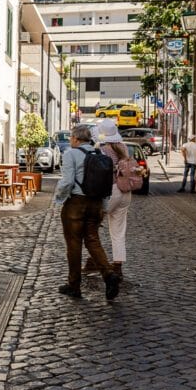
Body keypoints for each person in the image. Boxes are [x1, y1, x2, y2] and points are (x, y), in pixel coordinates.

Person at [53, 123, 120, 301]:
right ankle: (109, 274)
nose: (70, 141)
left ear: (75, 138)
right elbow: (106, 185)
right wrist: (104, 208)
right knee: (93, 241)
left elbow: (67, 182)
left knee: (74, 244)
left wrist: (58, 200)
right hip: (96, 204)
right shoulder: (101, 154)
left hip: (76, 203)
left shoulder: (70, 154)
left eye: (71, 138)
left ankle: (74, 285)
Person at [94, 119, 139, 282]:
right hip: (125, 191)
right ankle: (118, 267)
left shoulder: (102, 149)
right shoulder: (123, 147)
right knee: (118, 232)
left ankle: (95, 261)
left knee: (92, 226)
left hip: (111, 190)